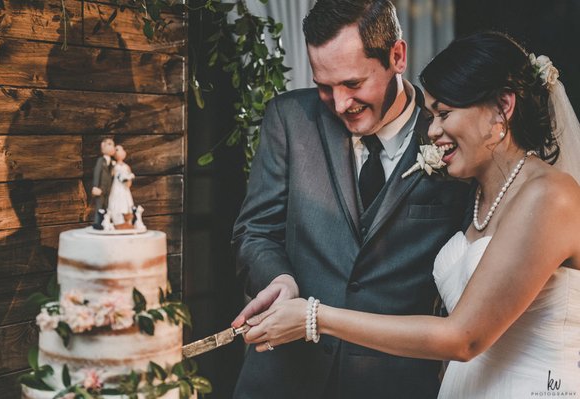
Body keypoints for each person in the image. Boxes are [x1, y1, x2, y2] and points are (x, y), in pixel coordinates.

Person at [244, 32, 580, 398]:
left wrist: (315, 317)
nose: (432, 130)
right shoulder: (483, 195)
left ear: (503, 106)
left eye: (445, 114)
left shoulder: (553, 197)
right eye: (432, 114)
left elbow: (463, 337)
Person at [230, 1, 470, 397]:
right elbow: (255, 231)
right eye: (325, 86)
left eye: (354, 84)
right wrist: (280, 279)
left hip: (393, 383)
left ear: (397, 56)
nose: (341, 104)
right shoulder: (289, 120)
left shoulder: (449, 136)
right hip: (284, 377)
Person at [107, 145, 136, 228]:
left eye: (120, 150)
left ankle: (127, 220)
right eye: (116, 150)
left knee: (126, 201)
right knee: (116, 202)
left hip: (125, 188)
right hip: (117, 187)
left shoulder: (126, 166)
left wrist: (129, 181)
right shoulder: (114, 165)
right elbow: (111, 175)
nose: (119, 152)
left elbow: (129, 174)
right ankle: (117, 221)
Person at [92, 138, 116, 229]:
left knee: (106, 206)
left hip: (108, 189)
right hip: (100, 188)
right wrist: (95, 186)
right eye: (109, 144)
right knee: (99, 205)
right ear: (103, 146)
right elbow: (97, 173)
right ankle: (97, 222)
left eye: (113, 145)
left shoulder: (112, 163)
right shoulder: (101, 161)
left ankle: (105, 222)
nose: (112, 147)